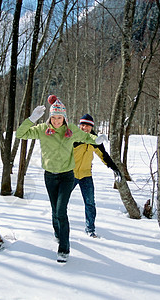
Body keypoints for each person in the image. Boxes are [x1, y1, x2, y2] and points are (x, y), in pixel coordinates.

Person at [16, 95, 106, 263]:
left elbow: (86, 137)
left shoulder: (70, 130)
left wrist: (97, 139)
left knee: (60, 211)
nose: (57, 121)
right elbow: (21, 134)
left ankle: (64, 248)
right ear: (50, 117)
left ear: (64, 117)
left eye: (60, 117)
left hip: (66, 176)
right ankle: (58, 233)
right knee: (54, 209)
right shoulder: (42, 129)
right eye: (54, 117)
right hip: (49, 176)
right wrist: (31, 119)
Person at [73, 114, 122, 238]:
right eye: (82, 125)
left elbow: (104, 155)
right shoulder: (73, 137)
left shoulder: (96, 140)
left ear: (91, 127)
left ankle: (90, 229)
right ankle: (59, 227)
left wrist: (115, 169)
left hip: (86, 175)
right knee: (61, 202)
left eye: (88, 126)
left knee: (90, 203)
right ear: (79, 126)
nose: (85, 128)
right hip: (70, 174)